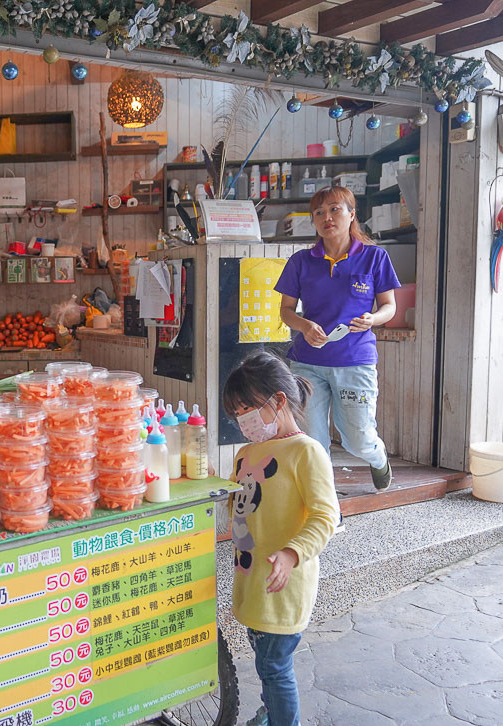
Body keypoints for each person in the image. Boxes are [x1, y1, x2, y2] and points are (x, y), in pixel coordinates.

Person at [223, 351, 340, 726]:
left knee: (274, 666)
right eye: (237, 413)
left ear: (278, 401)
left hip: (283, 583)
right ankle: (271, 710)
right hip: (252, 579)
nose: (244, 421)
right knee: (264, 658)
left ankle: (280, 718)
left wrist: (292, 553)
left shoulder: (306, 452)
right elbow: (239, 509)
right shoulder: (245, 454)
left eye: (248, 409)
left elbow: (326, 515)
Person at [274, 185, 400, 491]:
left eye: (334, 209)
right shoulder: (301, 261)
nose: (326, 217)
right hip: (307, 363)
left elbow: (389, 307)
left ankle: (378, 457)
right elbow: (286, 312)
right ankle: (324, 495)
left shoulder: (374, 258)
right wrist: (304, 326)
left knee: (357, 438)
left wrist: (373, 319)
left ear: (351, 214)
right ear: (314, 220)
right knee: (311, 439)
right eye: (319, 212)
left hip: (355, 361)